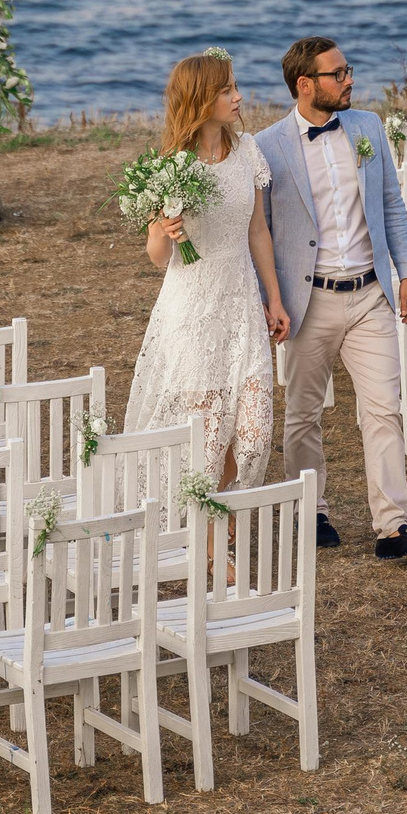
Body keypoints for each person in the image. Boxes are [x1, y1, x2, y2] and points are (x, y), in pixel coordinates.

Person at [254, 36, 407, 561]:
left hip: (369, 295)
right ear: (305, 84)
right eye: (338, 74)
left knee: (384, 410)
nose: (349, 80)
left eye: (348, 70)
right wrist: (272, 300)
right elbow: (261, 232)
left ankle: (392, 526)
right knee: (303, 413)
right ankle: (309, 513)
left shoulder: (368, 128)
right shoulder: (268, 147)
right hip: (307, 300)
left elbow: (391, 204)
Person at [125, 50, 292, 488]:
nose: (238, 97)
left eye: (235, 86)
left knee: (253, 437)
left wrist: (273, 299)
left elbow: (258, 231)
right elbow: (159, 257)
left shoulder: (247, 152)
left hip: (240, 302)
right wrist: (163, 228)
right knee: (211, 439)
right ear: (201, 101)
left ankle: (224, 521)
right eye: (226, 90)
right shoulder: (169, 168)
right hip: (193, 310)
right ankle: (218, 540)